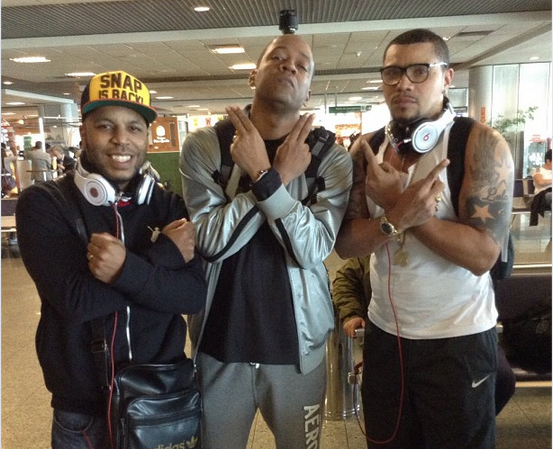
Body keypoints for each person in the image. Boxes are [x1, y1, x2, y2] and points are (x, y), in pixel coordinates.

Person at [335, 28, 514, 448]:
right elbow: (346, 244)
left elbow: (483, 255)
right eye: (393, 72)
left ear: (447, 77)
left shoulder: (479, 144)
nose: (404, 83)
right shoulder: (370, 149)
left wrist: (401, 206)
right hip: (386, 338)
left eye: (420, 71)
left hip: (458, 342)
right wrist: (395, 215)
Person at [16, 70, 207, 449]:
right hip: (82, 411)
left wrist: (122, 270)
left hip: (160, 397)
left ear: (147, 137)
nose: (122, 139)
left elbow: (192, 296)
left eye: (134, 128)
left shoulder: (167, 205)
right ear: (83, 132)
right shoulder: (44, 204)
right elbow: (75, 301)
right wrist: (164, 256)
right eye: (106, 126)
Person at [180, 34, 352, 449]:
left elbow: (312, 251)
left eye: (302, 64)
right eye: (278, 57)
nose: (289, 66)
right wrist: (270, 177)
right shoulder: (208, 146)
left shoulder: (330, 157)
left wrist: (264, 176)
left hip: (298, 350)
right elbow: (210, 242)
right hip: (219, 347)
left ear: (309, 88)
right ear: (254, 74)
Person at [332, 256, 516, 416]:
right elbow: (345, 276)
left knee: (501, 379)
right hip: (393, 338)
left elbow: (498, 264)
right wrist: (351, 313)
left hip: (462, 335)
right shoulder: (377, 249)